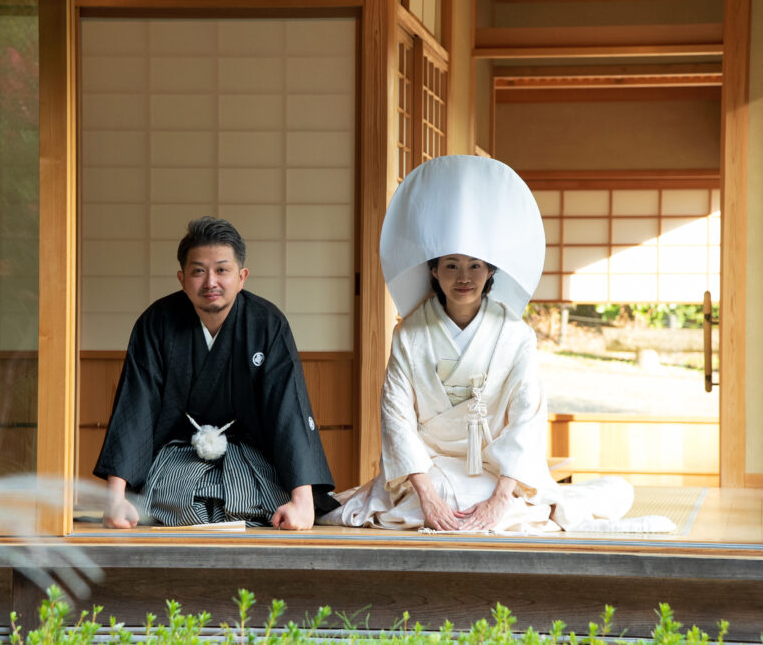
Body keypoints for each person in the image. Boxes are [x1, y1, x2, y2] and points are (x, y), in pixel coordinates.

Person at [319, 156, 672, 533]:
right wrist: (427, 494)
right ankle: (531, 515)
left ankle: (515, 508)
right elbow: (397, 420)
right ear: (433, 271)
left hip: (495, 470)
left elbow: (527, 419)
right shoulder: (409, 335)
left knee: (606, 491)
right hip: (431, 470)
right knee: (441, 499)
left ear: (491, 271)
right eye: (451, 265)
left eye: (475, 265)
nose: (464, 277)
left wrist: (502, 495)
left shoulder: (515, 335)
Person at [93, 216, 338, 530]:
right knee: (177, 506)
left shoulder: (267, 323)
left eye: (222, 270)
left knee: (252, 505)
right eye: (199, 271)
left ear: (242, 276)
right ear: (182, 278)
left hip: (250, 455)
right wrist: (115, 496)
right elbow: (135, 405)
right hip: (176, 454)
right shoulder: (156, 324)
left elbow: (288, 407)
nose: (210, 282)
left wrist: (302, 501)